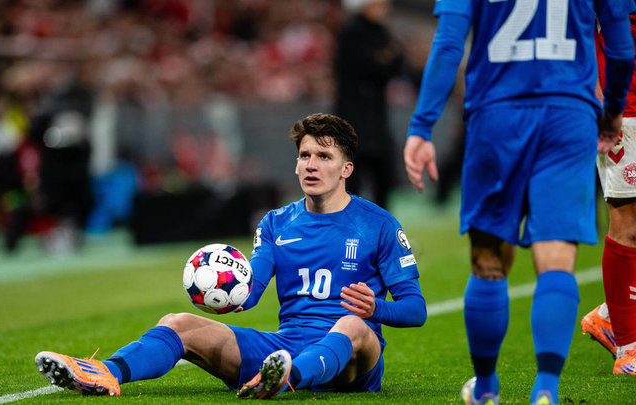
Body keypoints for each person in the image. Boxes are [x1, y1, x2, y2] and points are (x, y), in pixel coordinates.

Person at [34, 113, 426, 398]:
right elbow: (251, 290)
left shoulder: (378, 224)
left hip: (355, 361)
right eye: (305, 155)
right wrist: (226, 290)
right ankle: (104, 372)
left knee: (352, 325)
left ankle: (285, 378)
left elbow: (415, 310)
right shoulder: (276, 223)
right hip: (285, 347)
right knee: (177, 323)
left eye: (324, 157)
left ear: (346, 169)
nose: (311, 165)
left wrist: (376, 309)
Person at [402, 0, 635, 404]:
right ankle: (546, 390)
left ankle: (486, 388)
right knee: (556, 260)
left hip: (497, 115)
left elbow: (449, 43)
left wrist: (422, 126)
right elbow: (621, 46)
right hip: (568, 115)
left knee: (489, 260)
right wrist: (613, 110)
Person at [581, 10, 636, 376]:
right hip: (625, 110)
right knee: (628, 225)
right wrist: (599, 97)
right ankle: (628, 349)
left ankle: (609, 315)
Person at [334, 0, 408, 209]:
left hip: (374, 115)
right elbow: (370, 66)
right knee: (353, 173)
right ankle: (350, 223)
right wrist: (387, 57)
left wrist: (388, 58)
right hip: (355, 116)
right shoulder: (352, 33)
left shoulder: (380, 33)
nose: (385, 8)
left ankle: (380, 223)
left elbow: (392, 66)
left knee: (382, 173)